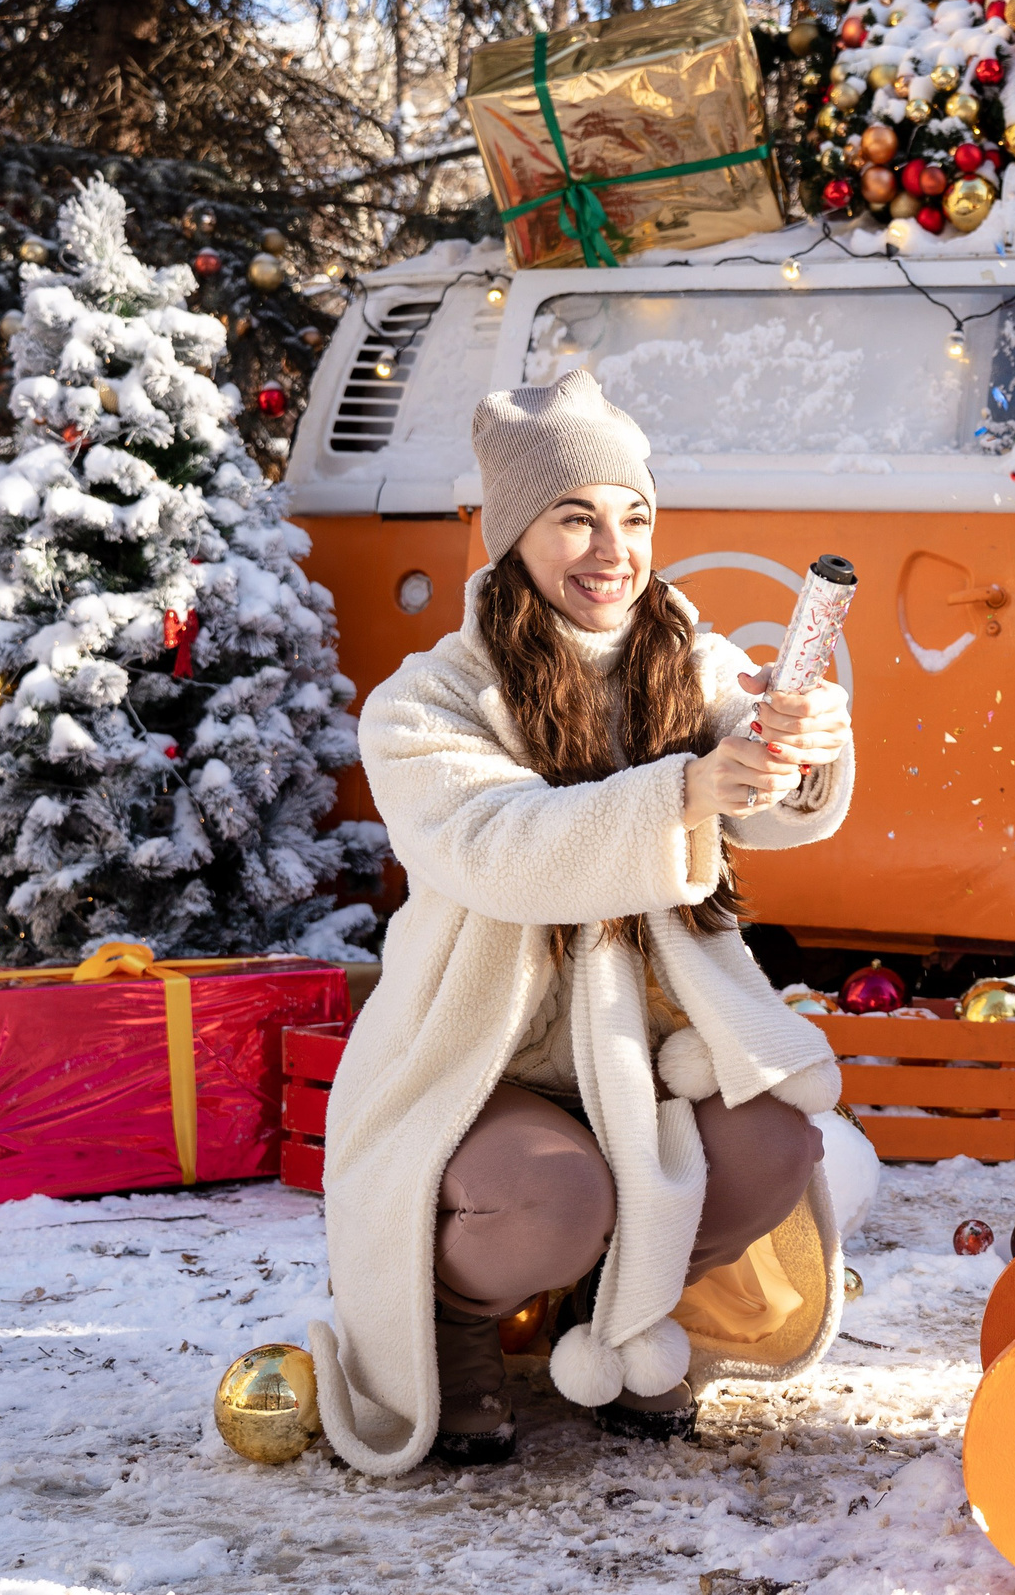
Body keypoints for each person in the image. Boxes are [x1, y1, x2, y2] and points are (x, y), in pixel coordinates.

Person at [308, 370, 855, 1476]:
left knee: (779, 1144)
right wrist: (689, 793)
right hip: (483, 1058)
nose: (614, 549)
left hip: (640, 1047)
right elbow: (501, 846)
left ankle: (618, 1312)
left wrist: (797, 745)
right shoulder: (425, 703)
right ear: (511, 536)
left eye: (635, 517)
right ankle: (456, 1324)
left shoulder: (684, 660)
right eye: (576, 518)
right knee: (554, 1196)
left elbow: (777, 797)